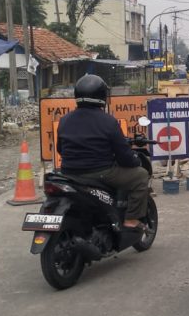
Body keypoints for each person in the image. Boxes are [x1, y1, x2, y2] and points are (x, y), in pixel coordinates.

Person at [57, 74, 149, 233]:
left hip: (68, 173)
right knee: (140, 176)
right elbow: (124, 156)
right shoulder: (108, 122)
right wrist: (135, 161)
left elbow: (60, 149)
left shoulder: (64, 120)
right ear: (101, 96)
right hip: (99, 173)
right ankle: (131, 219)